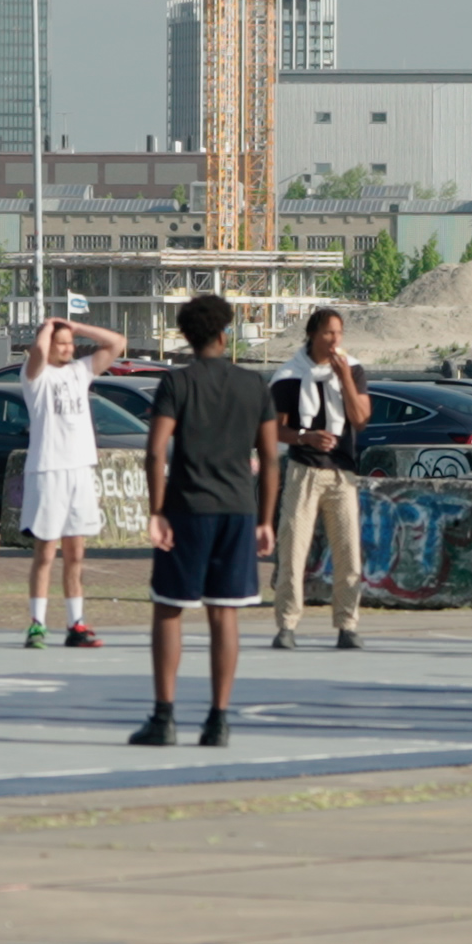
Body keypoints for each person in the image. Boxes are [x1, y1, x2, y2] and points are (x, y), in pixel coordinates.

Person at [135, 292, 276, 748]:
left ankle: (164, 716)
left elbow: (156, 450)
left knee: (169, 610)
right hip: (237, 509)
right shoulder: (254, 385)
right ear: (224, 332)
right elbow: (270, 458)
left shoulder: (177, 383)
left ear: (185, 337)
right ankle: (218, 719)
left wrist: (156, 510)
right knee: (225, 616)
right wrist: (266, 518)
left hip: (187, 508)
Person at [18, 315, 126, 649]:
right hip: (48, 470)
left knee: (75, 552)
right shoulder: (35, 376)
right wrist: (48, 328)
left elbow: (117, 343)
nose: (67, 348)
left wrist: (77, 327)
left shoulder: (80, 372)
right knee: (45, 552)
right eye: (60, 343)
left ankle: (75, 622)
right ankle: (37, 623)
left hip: (80, 468)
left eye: (70, 344)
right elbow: (37, 351)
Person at [270, 308, 372, 653]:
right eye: (328, 333)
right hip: (304, 470)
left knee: (348, 553)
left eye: (339, 333)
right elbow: (275, 429)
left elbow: (360, 420)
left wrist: (343, 378)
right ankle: (286, 624)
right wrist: (306, 436)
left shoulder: (353, 369)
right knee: (293, 549)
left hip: (341, 472)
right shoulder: (288, 375)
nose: (335, 340)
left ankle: (347, 625)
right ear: (313, 334)